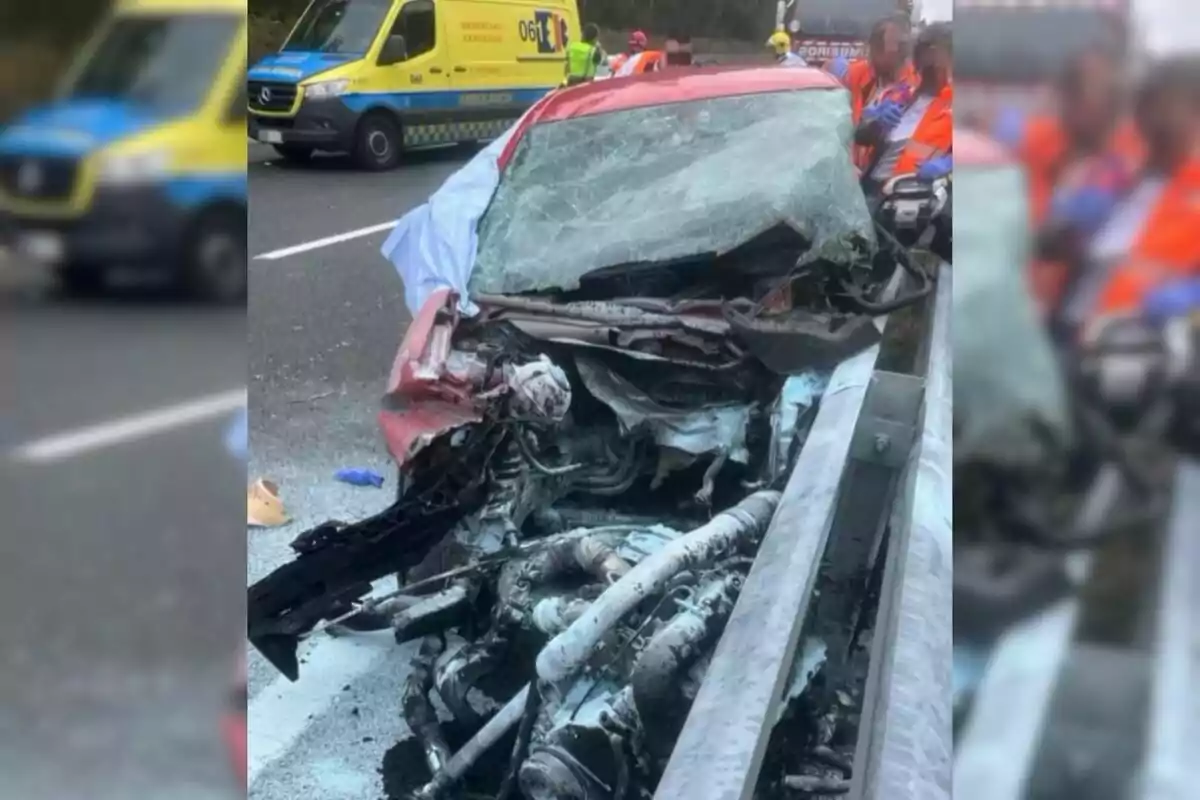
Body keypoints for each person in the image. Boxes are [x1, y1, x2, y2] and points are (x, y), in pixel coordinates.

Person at [1045, 57, 1200, 341]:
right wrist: (1069, 228)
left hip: (1143, 350)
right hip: (1074, 329)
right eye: (1147, 106)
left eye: (1167, 108)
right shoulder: (1126, 176)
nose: (1153, 119)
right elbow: (1058, 245)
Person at [856, 22, 952, 188]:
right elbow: (860, 136)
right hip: (874, 190)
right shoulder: (899, 95)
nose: (931, 66)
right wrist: (874, 123)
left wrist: (951, 165)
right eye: (926, 57)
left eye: (937, 59)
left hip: (918, 198)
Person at [837, 16, 917, 169]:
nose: (873, 57)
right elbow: (836, 117)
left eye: (882, 49)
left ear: (902, 50)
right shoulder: (857, 73)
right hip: (848, 168)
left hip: (878, 172)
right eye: (874, 47)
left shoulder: (915, 86)